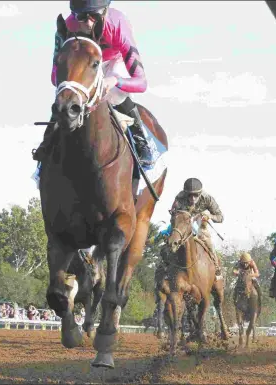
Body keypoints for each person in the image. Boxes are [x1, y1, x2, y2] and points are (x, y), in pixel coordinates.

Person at [32, 0, 153, 166]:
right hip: (84, 62)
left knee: (115, 94)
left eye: (94, 16)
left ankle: (141, 141)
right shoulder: (67, 27)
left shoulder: (118, 26)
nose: (88, 23)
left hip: (112, 61)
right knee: (66, 92)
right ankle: (48, 140)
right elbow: (55, 77)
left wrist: (115, 81)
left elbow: (142, 83)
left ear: (105, 12)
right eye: (81, 17)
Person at [170, 177, 224, 280]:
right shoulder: (179, 197)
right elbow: (173, 215)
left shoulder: (207, 198)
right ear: (186, 193)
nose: (193, 198)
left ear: (200, 193)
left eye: (195, 195)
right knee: (172, 241)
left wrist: (210, 216)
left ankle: (216, 267)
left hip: (200, 220)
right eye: (190, 195)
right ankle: (167, 268)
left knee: (204, 237)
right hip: (184, 221)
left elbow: (220, 217)